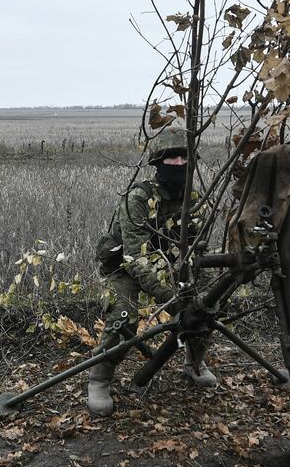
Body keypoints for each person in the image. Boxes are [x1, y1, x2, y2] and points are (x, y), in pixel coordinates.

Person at [87, 125, 217, 416]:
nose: (180, 164)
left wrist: (194, 290)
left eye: (184, 158)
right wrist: (172, 296)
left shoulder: (194, 200)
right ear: (158, 163)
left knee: (207, 303)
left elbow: (196, 251)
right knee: (124, 314)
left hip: (172, 267)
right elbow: (136, 257)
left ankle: (195, 361)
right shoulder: (138, 199)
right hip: (124, 267)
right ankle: (99, 378)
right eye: (172, 158)